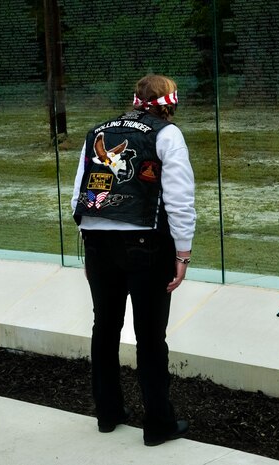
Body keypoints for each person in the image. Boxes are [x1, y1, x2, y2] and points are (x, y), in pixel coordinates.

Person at [71, 74, 195, 447]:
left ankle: (108, 413)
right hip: (146, 244)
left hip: (97, 242)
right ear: (170, 102)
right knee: (150, 336)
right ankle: (158, 423)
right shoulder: (167, 134)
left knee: (104, 329)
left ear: (135, 99)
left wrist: (88, 238)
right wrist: (183, 252)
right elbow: (179, 197)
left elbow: (80, 189)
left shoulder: (98, 132)